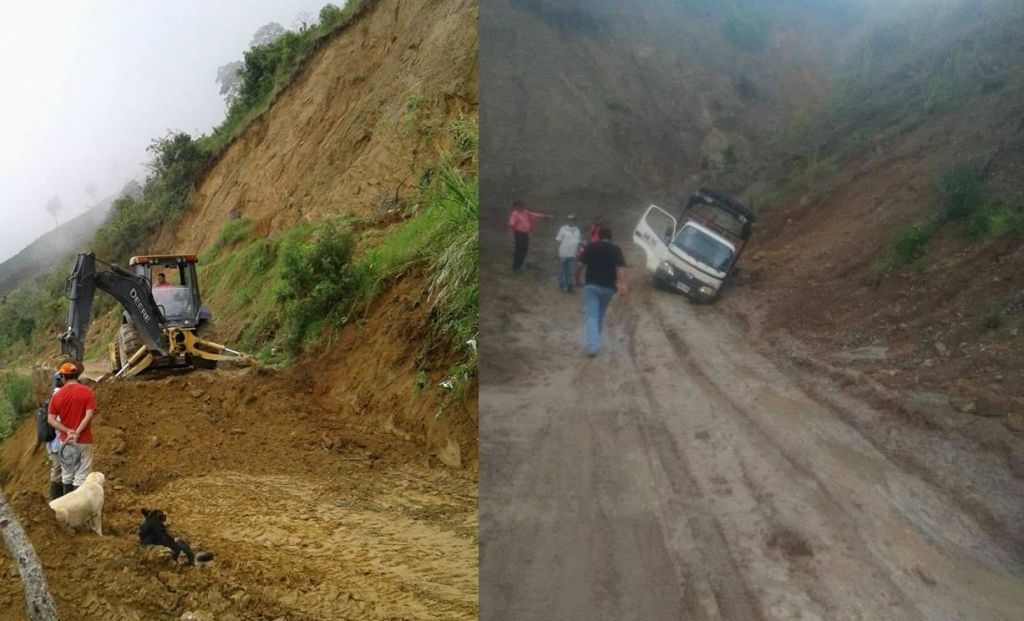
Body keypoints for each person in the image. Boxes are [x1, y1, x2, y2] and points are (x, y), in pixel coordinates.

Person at [575, 226, 628, 357]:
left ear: (598, 235)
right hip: (608, 288)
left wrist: (576, 279)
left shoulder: (591, 247)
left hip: (591, 286)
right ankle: (595, 341)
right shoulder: (616, 249)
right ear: (611, 237)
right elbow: (620, 269)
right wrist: (623, 285)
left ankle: (593, 346)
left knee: (592, 315)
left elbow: (579, 265)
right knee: (600, 314)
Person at [47, 362, 96, 495]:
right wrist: (78, 432)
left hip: (66, 441)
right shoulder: (87, 392)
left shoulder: (57, 396)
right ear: (76, 375)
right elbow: (89, 414)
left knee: (67, 475)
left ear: (63, 377)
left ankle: (67, 506)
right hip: (84, 440)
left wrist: (68, 431)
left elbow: (50, 419)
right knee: (82, 475)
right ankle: (79, 507)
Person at [508, 200, 552, 272]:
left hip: (525, 234)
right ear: (517, 206)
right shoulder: (515, 214)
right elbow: (511, 224)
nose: (522, 207)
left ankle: (519, 266)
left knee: (524, 250)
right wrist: (515, 233)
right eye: (520, 205)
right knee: (519, 251)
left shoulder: (525, 212)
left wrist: (545, 216)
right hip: (519, 234)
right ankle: (515, 267)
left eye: (523, 205)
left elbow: (534, 214)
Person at [46, 373, 64, 500]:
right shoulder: (59, 397)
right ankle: (56, 501)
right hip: (58, 442)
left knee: (58, 470)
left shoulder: (54, 396)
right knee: (58, 471)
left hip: (54, 443)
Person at [555, 214, 582, 292]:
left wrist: (578, 253)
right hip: (563, 253)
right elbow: (558, 240)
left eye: (573, 220)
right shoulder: (563, 229)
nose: (571, 221)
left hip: (573, 254)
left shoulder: (577, 230)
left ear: (575, 221)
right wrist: (556, 252)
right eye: (570, 220)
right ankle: (561, 285)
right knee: (561, 270)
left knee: (570, 271)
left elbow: (579, 242)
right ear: (567, 221)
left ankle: (569, 285)